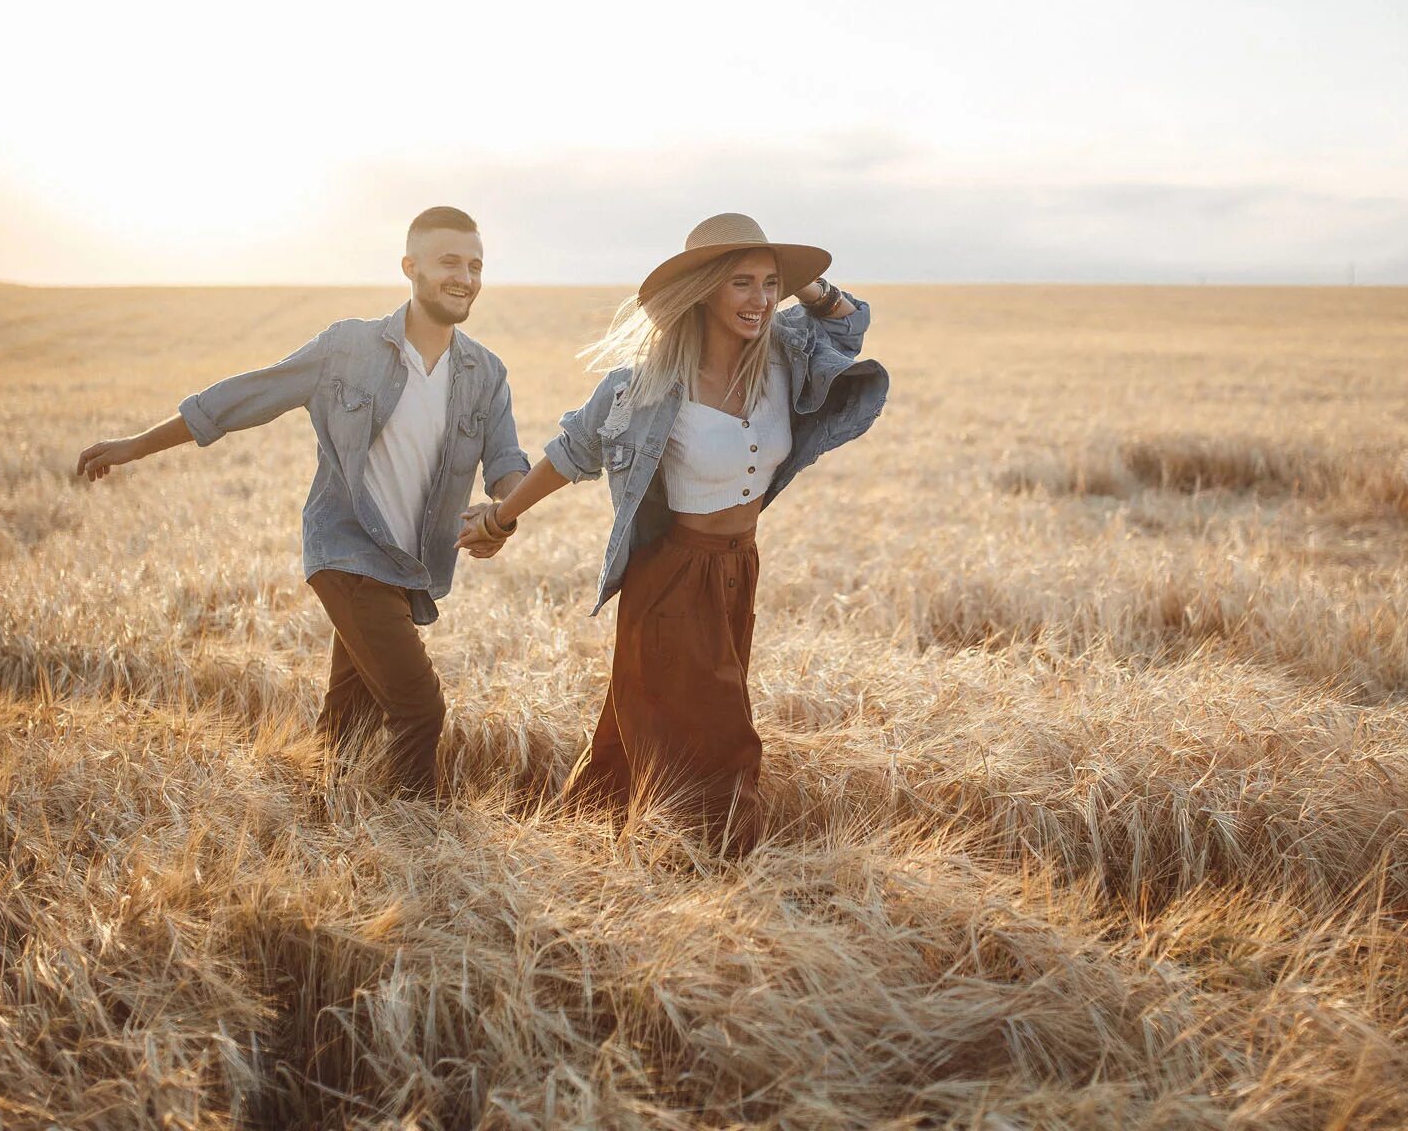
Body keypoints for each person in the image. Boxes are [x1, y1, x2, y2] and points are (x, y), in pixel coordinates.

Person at [455, 212, 887, 854]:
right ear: (705, 289)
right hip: (674, 580)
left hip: (739, 571)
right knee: (719, 737)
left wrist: (806, 285)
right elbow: (572, 452)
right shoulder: (647, 387)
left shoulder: (784, 358)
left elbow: (848, 324)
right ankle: (719, 876)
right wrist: (499, 516)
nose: (761, 300)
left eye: (771, 283)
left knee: (651, 731)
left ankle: (596, 849)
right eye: (741, 282)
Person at [76, 206, 529, 798]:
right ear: (410, 267)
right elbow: (247, 395)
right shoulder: (349, 347)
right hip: (345, 553)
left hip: (407, 567)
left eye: (475, 265)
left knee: (350, 724)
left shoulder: (485, 373)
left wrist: (502, 518)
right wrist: (138, 444)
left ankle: (320, 827)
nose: (465, 278)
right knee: (420, 708)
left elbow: (506, 468)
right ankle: (422, 846)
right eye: (450, 262)